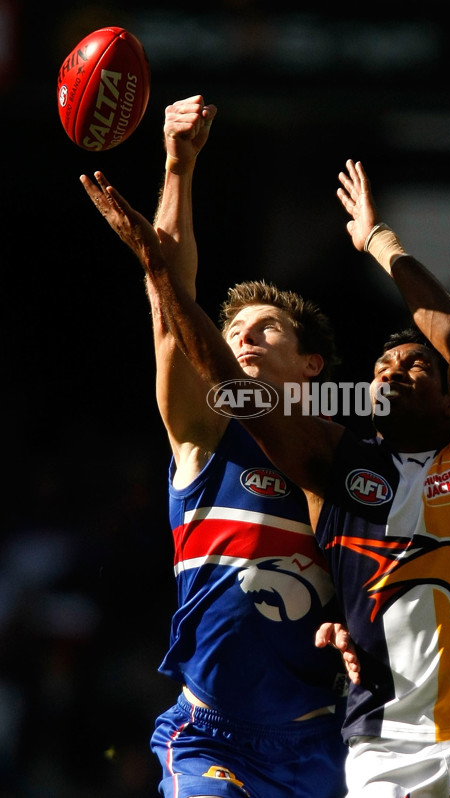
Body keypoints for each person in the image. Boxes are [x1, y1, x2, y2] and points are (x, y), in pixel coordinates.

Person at [82, 143, 450, 793]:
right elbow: (208, 369)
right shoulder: (289, 455)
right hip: (292, 735)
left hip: (380, 735)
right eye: (384, 366)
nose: (392, 371)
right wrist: (159, 263)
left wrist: (379, 241)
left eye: (414, 365)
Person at [82, 96, 353, 798]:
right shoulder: (207, 435)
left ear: (311, 367)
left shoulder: (347, 455)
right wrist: (178, 165)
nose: (244, 338)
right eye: (236, 332)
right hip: (212, 737)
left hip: (327, 744)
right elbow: (172, 311)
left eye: (266, 329)